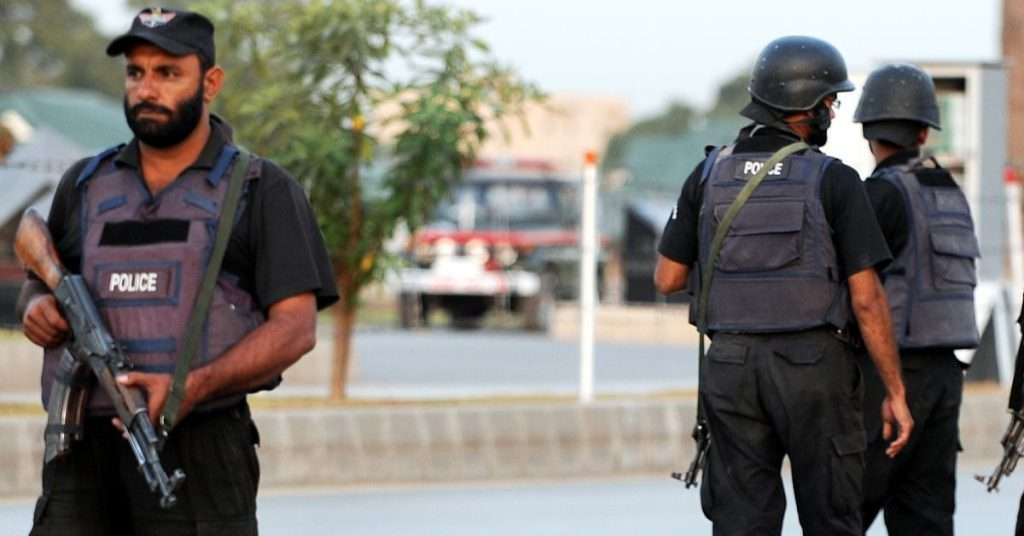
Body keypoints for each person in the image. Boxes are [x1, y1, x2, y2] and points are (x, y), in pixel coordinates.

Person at [17, 7, 338, 535]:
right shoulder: (84, 184)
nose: (147, 89)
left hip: (201, 449)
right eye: (136, 72)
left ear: (210, 83)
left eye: (168, 73)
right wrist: (36, 305)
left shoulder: (260, 189)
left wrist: (191, 386)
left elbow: (295, 328)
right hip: (81, 450)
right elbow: (41, 275)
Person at [654, 35, 913, 535]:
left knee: (742, 521)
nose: (832, 113)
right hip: (813, 367)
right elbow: (867, 299)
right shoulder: (834, 179)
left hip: (730, 366)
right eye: (830, 102)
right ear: (806, 106)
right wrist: (896, 391)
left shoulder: (707, 173)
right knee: (831, 518)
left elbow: (668, 278)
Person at [853, 63, 979, 536]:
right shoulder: (949, 191)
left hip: (890, 379)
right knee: (926, 520)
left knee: (843, 513)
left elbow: (854, 290)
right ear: (924, 132)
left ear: (868, 131)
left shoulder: (878, 195)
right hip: (945, 378)